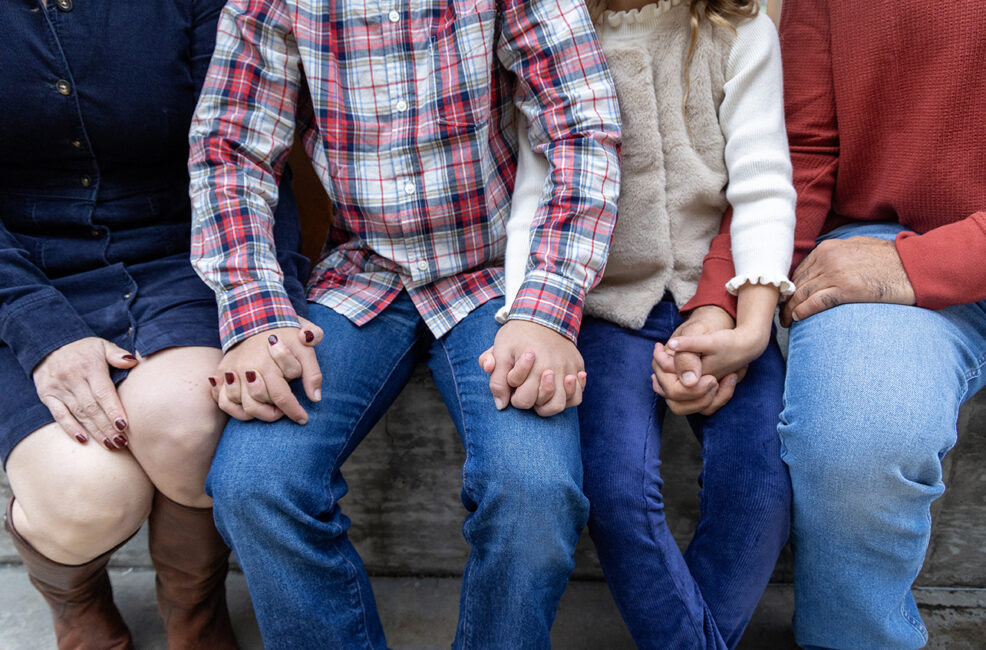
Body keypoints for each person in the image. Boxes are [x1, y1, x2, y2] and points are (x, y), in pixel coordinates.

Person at [187, 0, 621, 647]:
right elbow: (230, 151)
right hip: (364, 274)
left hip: (496, 277)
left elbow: (581, 126)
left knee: (535, 487)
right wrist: (254, 312)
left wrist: (548, 302)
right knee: (256, 481)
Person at [658, 1, 986, 647]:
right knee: (855, 443)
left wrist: (923, 265)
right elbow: (804, 147)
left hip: (913, 258)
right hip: (885, 243)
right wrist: (724, 297)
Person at [0, 2, 310, 648]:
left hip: (179, 250)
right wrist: (42, 331)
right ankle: (75, 600)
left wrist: (266, 300)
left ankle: (193, 608)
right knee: (86, 493)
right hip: (18, 275)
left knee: (193, 427)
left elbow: (245, 145)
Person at [488, 0, 794, 646]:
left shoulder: (739, 33)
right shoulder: (558, 38)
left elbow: (763, 184)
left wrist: (750, 320)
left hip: (716, 299)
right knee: (616, 487)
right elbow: (536, 193)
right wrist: (527, 313)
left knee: (761, 478)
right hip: (605, 306)